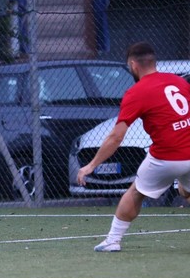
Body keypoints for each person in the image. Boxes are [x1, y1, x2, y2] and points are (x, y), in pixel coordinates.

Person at [77, 41, 190, 252]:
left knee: (136, 193)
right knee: (186, 190)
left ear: (133, 65)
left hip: (165, 158)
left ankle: (112, 240)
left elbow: (116, 137)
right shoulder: (179, 82)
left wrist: (90, 165)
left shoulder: (137, 92)